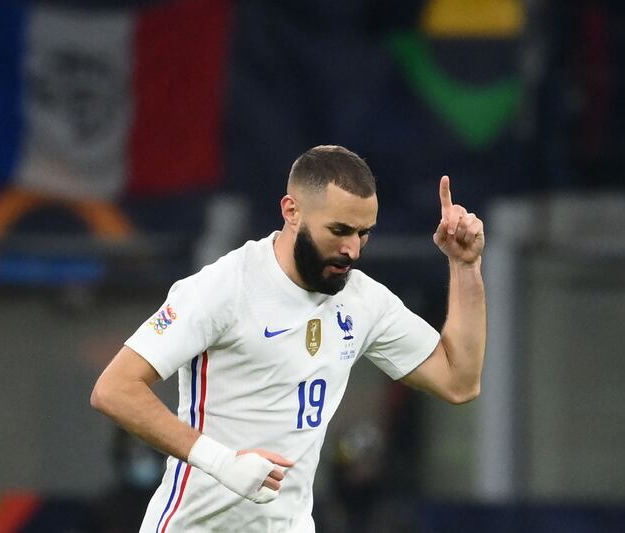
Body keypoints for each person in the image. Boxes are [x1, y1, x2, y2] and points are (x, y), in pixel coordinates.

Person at [90, 145, 486, 532]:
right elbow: (114, 388)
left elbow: (458, 380)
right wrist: (222, 462)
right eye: (339, 231)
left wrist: (465, 267)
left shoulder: (364, 300)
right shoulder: (224, 287)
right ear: (291, 211)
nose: (352, 249)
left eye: (364, 233)